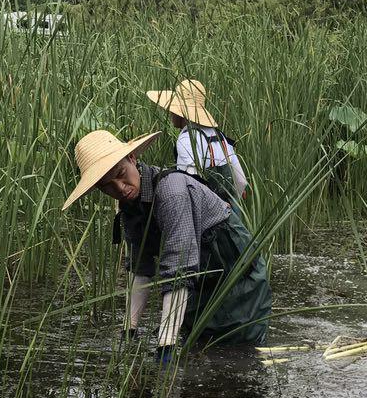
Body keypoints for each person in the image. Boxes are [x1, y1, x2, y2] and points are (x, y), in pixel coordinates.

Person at [62, 129, 271, 350]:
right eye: (107, 186)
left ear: (132, 159)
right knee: (197, 345)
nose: (120, 188)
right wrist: (129, 330)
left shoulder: (172, 193)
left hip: (237, 272)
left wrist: (166, 343)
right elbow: (141, 268)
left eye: (121, 174)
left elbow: (178, 269)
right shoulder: (130, 208)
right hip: (200, 279)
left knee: (240, 350)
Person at [145, 79, 247, 202]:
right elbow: (240, 181)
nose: (171, 113)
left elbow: (191, 185)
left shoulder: (187, 140)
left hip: (207, 214)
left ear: (181, 112)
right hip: (230, 212)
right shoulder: (220, 136)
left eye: (173, 109)